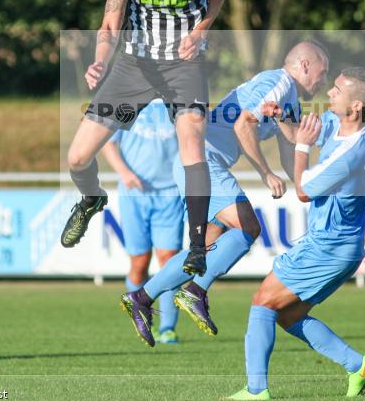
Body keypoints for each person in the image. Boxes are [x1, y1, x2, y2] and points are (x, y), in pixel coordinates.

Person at [120, 41, 330, 347]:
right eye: (323, 74)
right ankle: (194, 291)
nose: (323, 82)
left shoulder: (290, 100)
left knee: (202, 250)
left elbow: (292, 150)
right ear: (305, 65)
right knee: (248, 227)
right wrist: (265, 173)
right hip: (203, 162)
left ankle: (141, 296)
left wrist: (305, 186)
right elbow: (243, 125)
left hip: (201, 164)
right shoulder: (279, 83)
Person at [60, 0, 227, 279]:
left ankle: (198, 246)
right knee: (77, 158)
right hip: (133, 68)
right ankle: (91, 198)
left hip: (183, 66)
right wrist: (101, 59)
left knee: (192, 140)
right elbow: (111, 20)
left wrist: (201, 29)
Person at [227, 68, 365, 401]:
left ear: (355, 107)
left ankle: (256, 390)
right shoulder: (342, 122)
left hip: (329, 246)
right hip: (339, 246)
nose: (330, 94)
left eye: (337, 91)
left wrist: (300, 148)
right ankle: (358, 365)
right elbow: (306, 129)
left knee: (262, 302)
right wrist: (282, 117)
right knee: (289, 315)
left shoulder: (351, 153)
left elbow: (303, 190)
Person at [101, 99, 183, 344]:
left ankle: (168, 328)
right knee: (139, 262)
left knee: (169, 261)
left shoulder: (177, 103)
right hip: (134, 194)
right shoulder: (130, 102)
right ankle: (142, 319)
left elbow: (194, 140)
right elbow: (108, 142)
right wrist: (125, 173)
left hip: (170, 194)